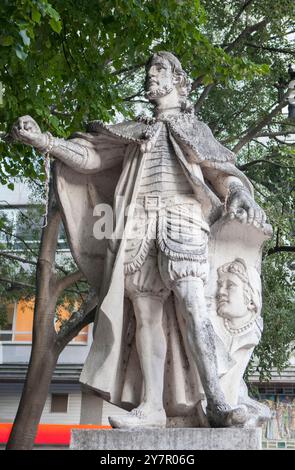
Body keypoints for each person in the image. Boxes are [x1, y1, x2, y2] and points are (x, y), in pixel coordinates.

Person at [11, 51, 266, 428]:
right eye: (148, 70)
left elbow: (219, 171)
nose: (150, 76)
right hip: (136, 224)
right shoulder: (134, 130)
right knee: (146, 314)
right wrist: (45, 141)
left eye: (159, 69)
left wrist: (239, 194)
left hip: (182, 220)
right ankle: (152, 407)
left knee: (194, 306)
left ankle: (217, 399)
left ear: (179, 81)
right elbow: (90, 157)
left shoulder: (195, 129)